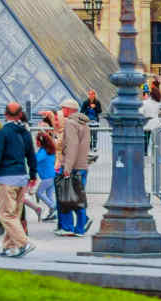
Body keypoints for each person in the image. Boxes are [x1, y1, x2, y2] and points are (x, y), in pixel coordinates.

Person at [0, 102, 38, 258]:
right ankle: (9, 247)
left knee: (5, 215)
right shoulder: (25, 132)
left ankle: (24, 243)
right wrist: (33, 175)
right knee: (14, 215)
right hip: (22, 177)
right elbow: (31, 156)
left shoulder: (4, 132)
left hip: (7, 177)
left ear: (5, 114)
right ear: (20, 114)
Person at [56, 97, 92, 237]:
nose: (62, 110)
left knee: (66, 198)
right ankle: (80, 228)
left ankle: (67, 227)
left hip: (73, 166)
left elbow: (72, 146)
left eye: (63, 108)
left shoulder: (71, 123)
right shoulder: (84, 124)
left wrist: (67, 168)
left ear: (70, 109)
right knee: (79, 198)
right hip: (82, 166)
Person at [33, 131, 57, 221]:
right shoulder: (48, 150)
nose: (36, 143)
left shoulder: (43, 151)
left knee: (39, 193)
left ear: (41, 142)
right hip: (52, 175)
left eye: (37, 141)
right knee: (49, 195)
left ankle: (53, 207)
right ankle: (53, 214)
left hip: (48, 177)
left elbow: (36, 159)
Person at [140, 87, 161, 155]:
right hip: (156, 125)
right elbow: (158, 113)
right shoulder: (158, 104)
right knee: (155, 144)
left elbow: (140, 113)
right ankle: (155, 159)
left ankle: (145, 155)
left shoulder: (144, 103)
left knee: (145, 143)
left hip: (146, 125)